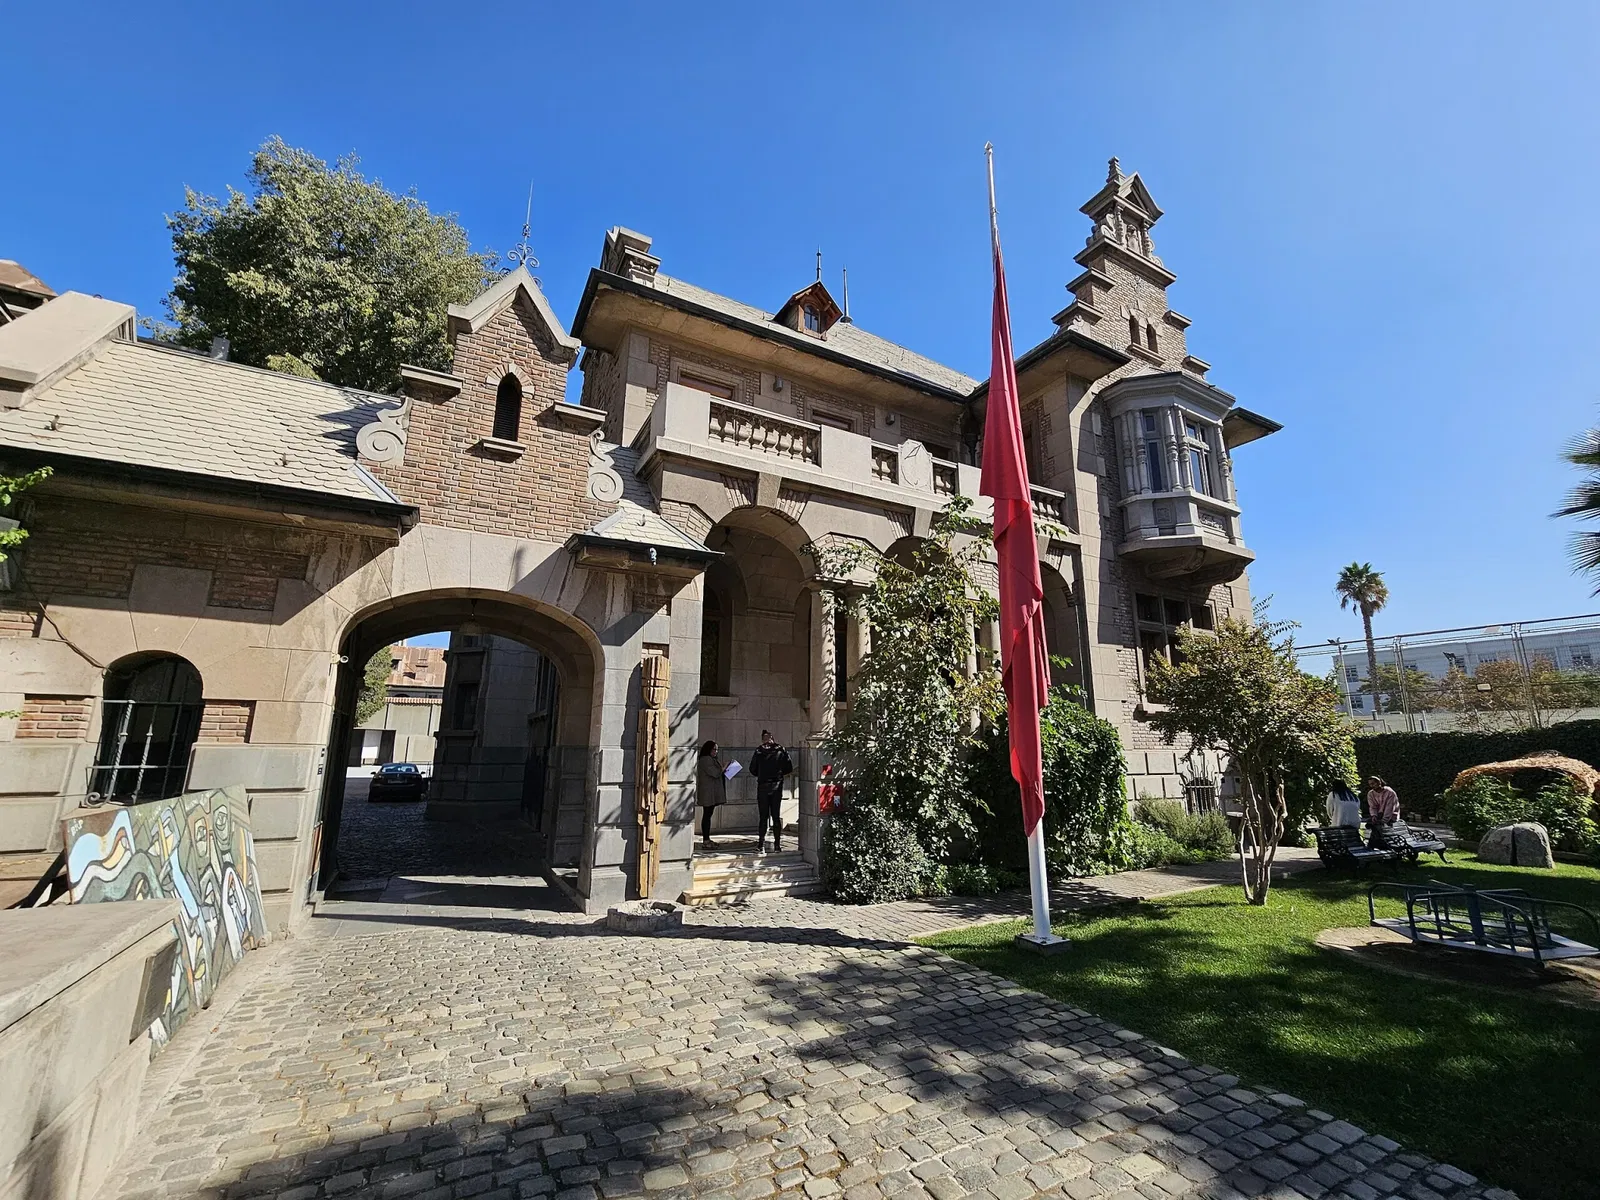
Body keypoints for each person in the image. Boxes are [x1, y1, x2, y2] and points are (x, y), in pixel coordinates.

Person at [749, 729, 794, 853]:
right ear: (772, 738)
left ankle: (761, 844)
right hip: (776, 786)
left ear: (763, 739)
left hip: (763, 786)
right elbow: (789, 767)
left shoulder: (758, 751)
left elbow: (752, 769)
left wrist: (762, 773)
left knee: (763, 817)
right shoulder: (781, 750)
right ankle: (777, 845)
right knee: (776, 816)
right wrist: (778, 774)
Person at [696, 739, 727, 849]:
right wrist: (723, 768)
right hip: (708, 792)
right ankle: (706, 840)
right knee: (707, 815)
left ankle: (707, 839)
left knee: (708, 815)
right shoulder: (705, 760)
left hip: (712, 791)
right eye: (714, 749)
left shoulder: (711, 759)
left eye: (717, 750)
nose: (716, 752)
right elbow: (715, 773)